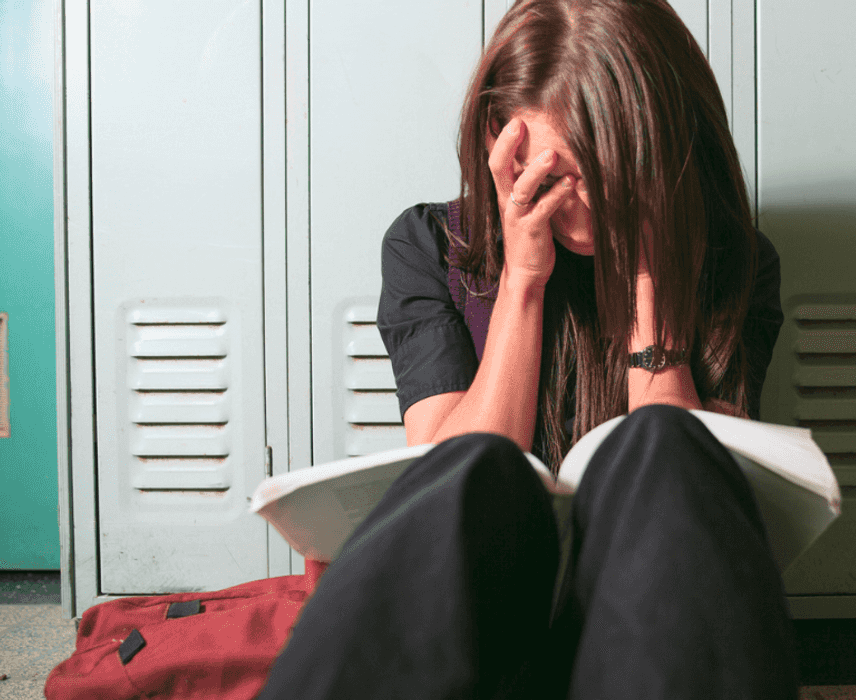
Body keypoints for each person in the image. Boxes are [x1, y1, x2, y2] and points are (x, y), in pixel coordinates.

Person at [258, 0, 796, 697]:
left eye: (621, 174)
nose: (592, 207)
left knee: (668, 441)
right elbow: (442, 466)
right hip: (474, 623)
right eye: (563, 173)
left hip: (645, 626)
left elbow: (693, 503)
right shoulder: (426, 246)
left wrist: (651, 282)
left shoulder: (734, 264)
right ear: (499, 138)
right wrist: (522, 282)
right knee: (471, 467)